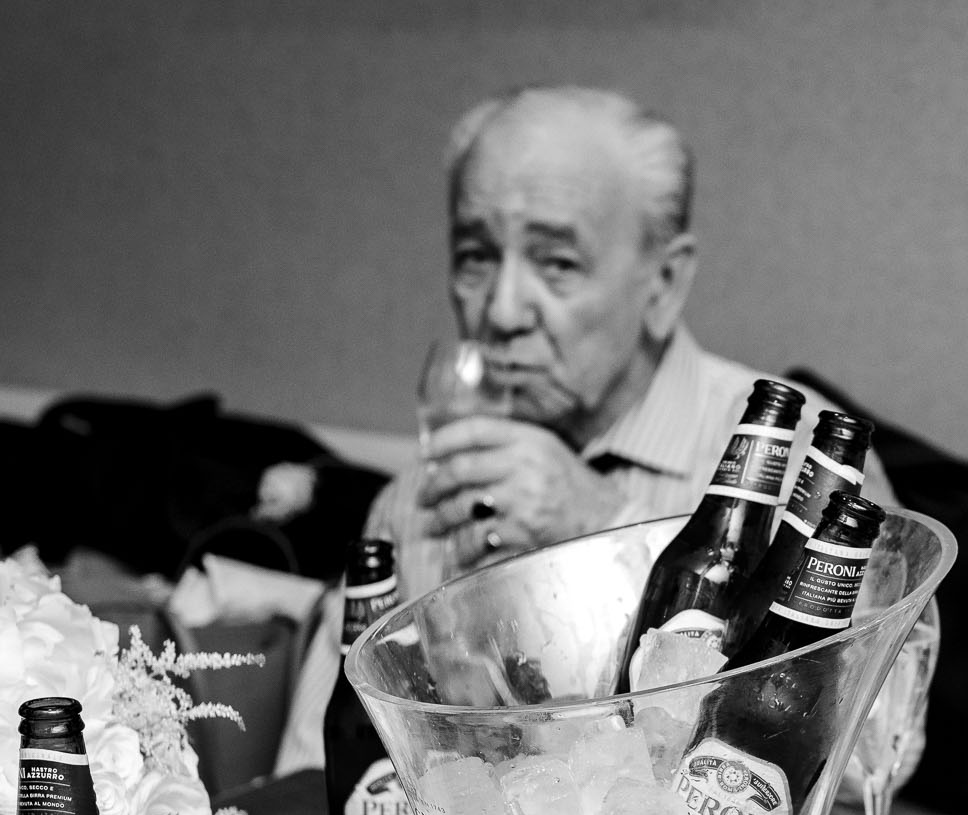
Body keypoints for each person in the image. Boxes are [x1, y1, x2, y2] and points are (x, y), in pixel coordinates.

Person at [276, 85, 890, 772]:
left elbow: (869, 761)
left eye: (557, 262)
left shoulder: (808, 461)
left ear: (663, 283)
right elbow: (313, 776)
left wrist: (607, 529)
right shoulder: (417, 500)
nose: (502, 309)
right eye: (477, 255)